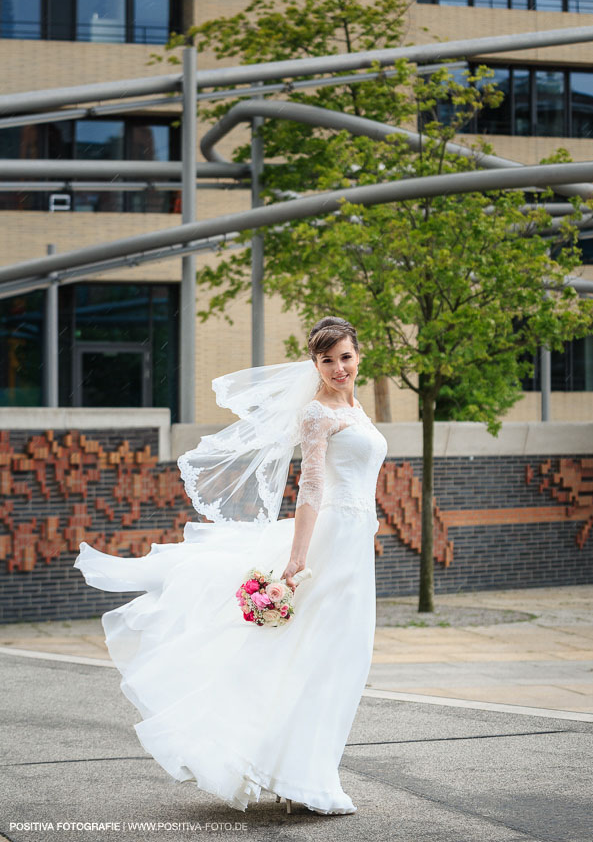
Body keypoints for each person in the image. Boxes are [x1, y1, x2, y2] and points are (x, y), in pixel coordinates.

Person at [73, 316, 388, 816]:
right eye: (327, 360)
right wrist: (298, 559)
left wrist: (368, 527)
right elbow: (310, 489)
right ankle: (300, 775)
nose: (338, 368)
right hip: (327, 544)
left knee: (344, 660)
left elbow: (359, 478)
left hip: (354, 543)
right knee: (314, 659)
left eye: (345, 357)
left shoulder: (356, 408)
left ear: (358, 356)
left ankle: (303, 769)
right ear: (315, 364)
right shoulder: (316, 414)